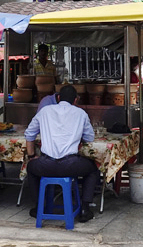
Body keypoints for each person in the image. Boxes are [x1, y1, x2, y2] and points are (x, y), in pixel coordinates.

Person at [25, 85, 97, 223]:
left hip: (45, 165)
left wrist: (31, 156)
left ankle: (38, 206)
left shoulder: (44, 111)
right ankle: (85, 208)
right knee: (93, 169)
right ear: (76, 100)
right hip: (71, 165)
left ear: (58, 98)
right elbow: (90, 138)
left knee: (31, 167)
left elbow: (29, 134)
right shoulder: (81, 114)